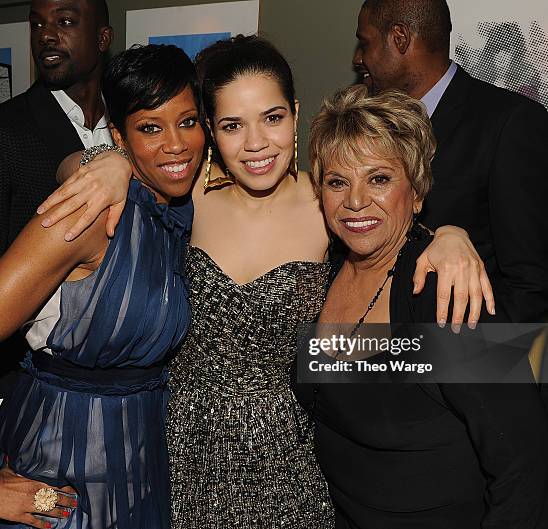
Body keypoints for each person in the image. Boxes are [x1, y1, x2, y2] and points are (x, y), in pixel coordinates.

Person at [39, 36, 494, 528]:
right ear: (211, 130)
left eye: (272, 118)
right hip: (182, 453)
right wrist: (106, 162)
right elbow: (71, 165)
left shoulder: (329, 203)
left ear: (294, 115)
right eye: (233, 125)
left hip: (291, 467)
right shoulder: (185, 195)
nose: (255, 143)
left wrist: (450, 235)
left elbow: (397, 216)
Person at [0, 44, 204, 528]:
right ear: (119, 136)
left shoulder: (177, 210)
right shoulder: (87, 214)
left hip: (142, 454)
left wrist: (105, 160)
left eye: (188, 122)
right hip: (61, 462)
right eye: (150, 127)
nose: (176, 144)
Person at [296, 84, 548, 528]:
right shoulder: (325, 271)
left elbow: (527, 464)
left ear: (415, 193)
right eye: (338, 181)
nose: (355, 201)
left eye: (379, 178)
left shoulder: (445, 294)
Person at [0, 0, 114, 409]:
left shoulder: (134, 128)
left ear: (103, 37)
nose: (46, 35)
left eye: (65, 21)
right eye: (37, 24)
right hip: (35, 387)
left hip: (135, 382)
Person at [353, 0, 548, 323]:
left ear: (399, 38)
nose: (357, 58)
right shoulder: (369, 123)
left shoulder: (509, 123)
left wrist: (463, 359)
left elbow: (531, 285)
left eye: (365, 42)